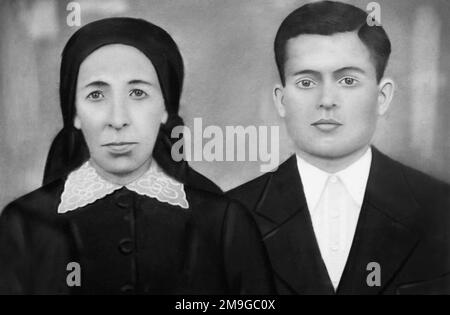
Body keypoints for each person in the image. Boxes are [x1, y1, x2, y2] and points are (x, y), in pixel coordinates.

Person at [0, 17, 274, 295]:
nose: (118, 119)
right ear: (74, 114)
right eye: (96, 94)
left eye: (138, 93)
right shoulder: (24, 223)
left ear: (166, 108)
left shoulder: (223, 221)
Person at [226, 1, 450, 294]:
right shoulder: (228, 218)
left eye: (347, 80)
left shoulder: (441, 208)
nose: (327, 99)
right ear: (281, 100)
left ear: (382, 96)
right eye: (306, 82)